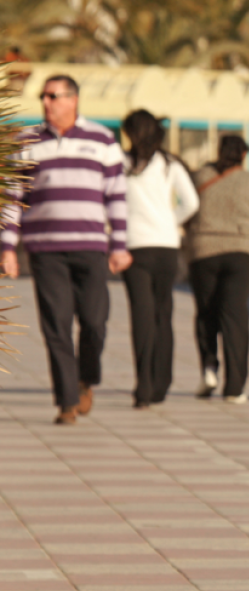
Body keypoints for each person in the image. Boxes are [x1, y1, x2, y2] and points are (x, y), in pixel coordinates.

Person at [0, 74, 130, 425]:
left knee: (94, 321)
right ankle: (67, 401)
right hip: (46, 250)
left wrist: (120, 244)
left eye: (53, 96)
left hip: (91, 247)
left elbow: (117, 195)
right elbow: (13, 197)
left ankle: (86, 378)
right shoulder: (28, 142)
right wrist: (8, 246)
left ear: (73, 99)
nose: (46, 102)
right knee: (55, 325)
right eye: (43, 96)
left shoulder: (102, 140)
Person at [187, 135, 249, 404]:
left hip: (203, 250)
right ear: (243, 155)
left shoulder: (200, 178)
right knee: (234, 314)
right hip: (241, 252)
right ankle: (235, 386)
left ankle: (208, 369)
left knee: (206, 311)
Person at [121, 109, 199, 409]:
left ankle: (143, 385)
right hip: (166, 247)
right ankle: (162, 381)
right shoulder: (170, 165)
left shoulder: (121, 164)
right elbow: (191, 203)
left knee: (141, 315)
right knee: (163, 313)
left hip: (134, 247)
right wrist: (170, 222)